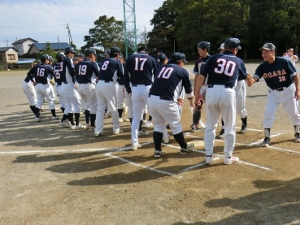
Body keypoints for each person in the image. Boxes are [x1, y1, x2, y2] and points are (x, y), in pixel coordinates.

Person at [195, 37, 250, 165]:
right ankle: (228, 157)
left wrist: (197, 94)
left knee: (210, 126)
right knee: (229, 126)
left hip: (211, 91)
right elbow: (243, 76)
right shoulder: (238, 60)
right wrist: (251, 80)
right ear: (235, 49)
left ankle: (208, 156)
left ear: (224, 47)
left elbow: (201, 77)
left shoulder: (213, 58)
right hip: (227, 93)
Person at [247, 42, 300, 145]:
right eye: (263, 52)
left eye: (266, 52)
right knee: (268, 113)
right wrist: (251, 81)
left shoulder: (283, 62)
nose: (264, 54)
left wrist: (298, 90)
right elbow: (256, 77)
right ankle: (267, 137)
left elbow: (295, 75)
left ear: (273, 52)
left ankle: (297, 132)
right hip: (273, 93)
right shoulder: (262, 66)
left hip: (288, 90)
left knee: (293, 112)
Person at [148, 52, 195, 158]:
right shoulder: (182, 71)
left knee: (158, 125)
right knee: (175, 124)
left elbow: (163, 84)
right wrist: (191, 101)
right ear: (181, 62)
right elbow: (188, 89)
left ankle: (157, 150)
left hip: (152, 99)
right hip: (166, 101)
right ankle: (184, 147)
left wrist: (176, 96)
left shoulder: (162, 68)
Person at [124, 46, 159, 150]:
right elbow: (157, 75)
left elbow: (126, 74)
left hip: (135, 88)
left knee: (136, 117)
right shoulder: (151, 58)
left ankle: (134, 142)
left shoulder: (130, 58)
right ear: (146, 52)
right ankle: (164, 137)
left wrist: (128, 89)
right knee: (156, 113)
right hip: (148, 88)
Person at [94, 46, 123, 136]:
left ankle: (98, 130)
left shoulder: (104, 60)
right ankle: (116, 128)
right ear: (117, 54)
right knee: (113, 107)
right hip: (109, 84)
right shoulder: (117, 61)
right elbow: (121, 75)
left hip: (99, 84)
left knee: (100, 108)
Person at [60, 46, 85, 130]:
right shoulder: (68, 59)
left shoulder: (63, 60)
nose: (73, 55)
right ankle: (77, 124)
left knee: (69, 105)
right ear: (69, 53)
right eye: (73, 53)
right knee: (77, 103)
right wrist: (75, 80)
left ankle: (72, 123)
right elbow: (71, 71)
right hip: (69, 84)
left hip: (64, 85)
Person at [75, 48, 99, 131]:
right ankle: (92, 126)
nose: (95, 57)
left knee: (86, 106)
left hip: (80, 86)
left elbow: (76, 76)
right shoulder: (93, 63)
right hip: (89, 85)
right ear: (91, 55)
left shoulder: (78, 64)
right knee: (93, 106)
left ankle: (87, 124)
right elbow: (98, 75)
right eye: (94, 55)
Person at [191, 41, 210, 132]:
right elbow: (196, 76)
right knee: (197, 104)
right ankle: (195, 124)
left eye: (200, 50)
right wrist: (196, 90)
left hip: (210, 86)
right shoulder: (198, 61)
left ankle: (211, 123)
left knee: (210, 105)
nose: (199, 52)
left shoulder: (212, 59)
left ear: (206, 49)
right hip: (201, 86)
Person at [32, 54, 58, 122]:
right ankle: (54, 116)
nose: (49, 61)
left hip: (38, 85)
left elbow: (29, 74)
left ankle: (37, 116)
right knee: (51, 100)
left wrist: (33, 81)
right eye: (48, 60)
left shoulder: (37, 66)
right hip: (45, 85)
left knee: (39, 101)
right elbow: (55, 73)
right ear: (46, 60)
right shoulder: (48, 66)